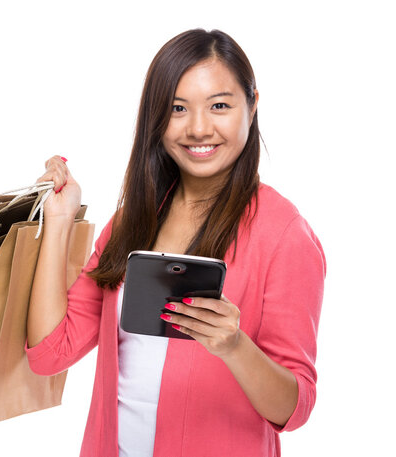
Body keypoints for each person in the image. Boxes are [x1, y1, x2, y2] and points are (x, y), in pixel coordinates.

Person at [25, 28, 326, 457]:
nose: (199, 128)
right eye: (177, 108)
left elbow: (294, 409)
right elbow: (50, 354)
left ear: (253, 104)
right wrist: (58, 219)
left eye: (219, 105)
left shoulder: (284, 234)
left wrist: (235, 346)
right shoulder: (133, 220)